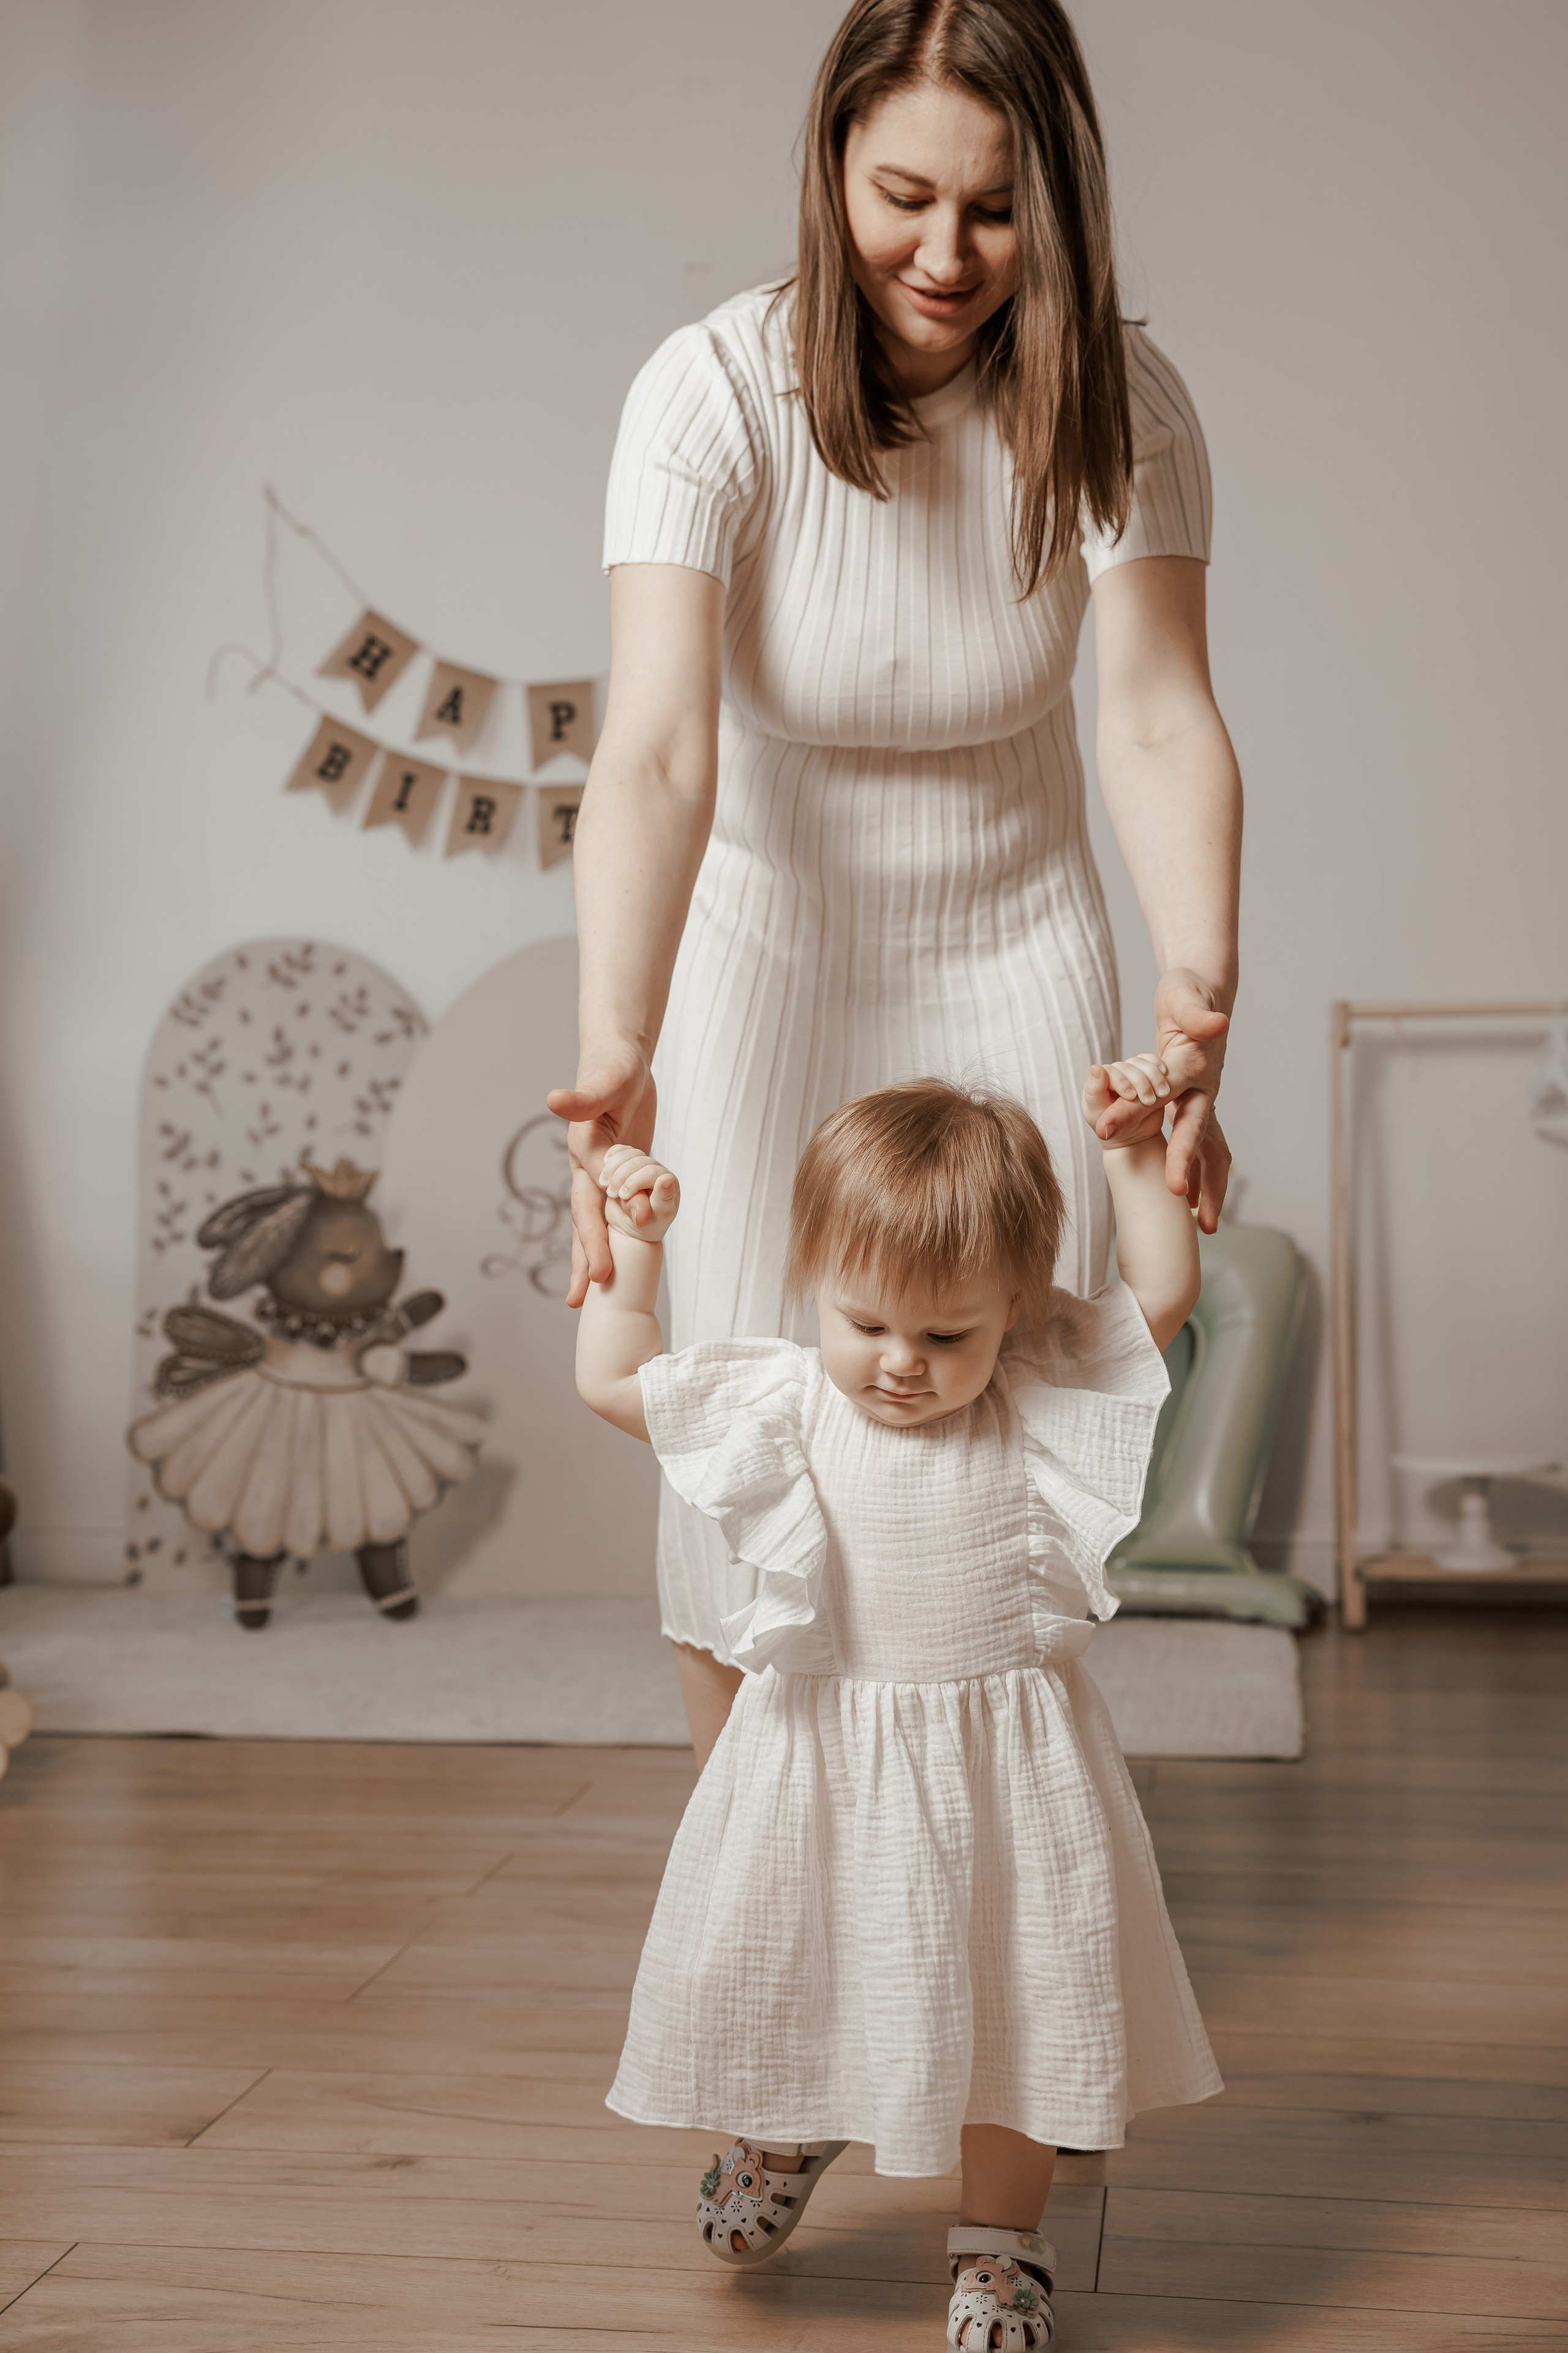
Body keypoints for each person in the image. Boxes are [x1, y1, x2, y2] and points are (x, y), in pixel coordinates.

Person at [548, 0, 1242, 1764]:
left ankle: (978, 1861)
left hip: (1016, 936)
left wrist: (1199, 986)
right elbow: (656, 755)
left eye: (996, 211)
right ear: (831, 164)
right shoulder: (709, 392)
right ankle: (761, 1878)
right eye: (902, 195)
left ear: (1059, 206)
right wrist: (616, 1046)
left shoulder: (1121, 403)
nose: (944, 254)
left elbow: (1156, 717)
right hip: (765, 949)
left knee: (1003, 1402)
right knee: (745, 1422)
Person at [575, 1054, 1221, 2351]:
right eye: (866, 1322)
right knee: (798, 1967)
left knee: (1018, 2006)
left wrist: (1128, 1156)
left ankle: (997, 2246)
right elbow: (613, 1378)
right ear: (820, 1280)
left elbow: (1161, 1286)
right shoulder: (785, 1399)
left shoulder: (1042, 1381)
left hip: (1006, 1773)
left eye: (946, 1336)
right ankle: (787, 2119)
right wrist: (635, 1253)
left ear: (1016, 1309)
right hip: (822, 1758)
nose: (901, 1366)